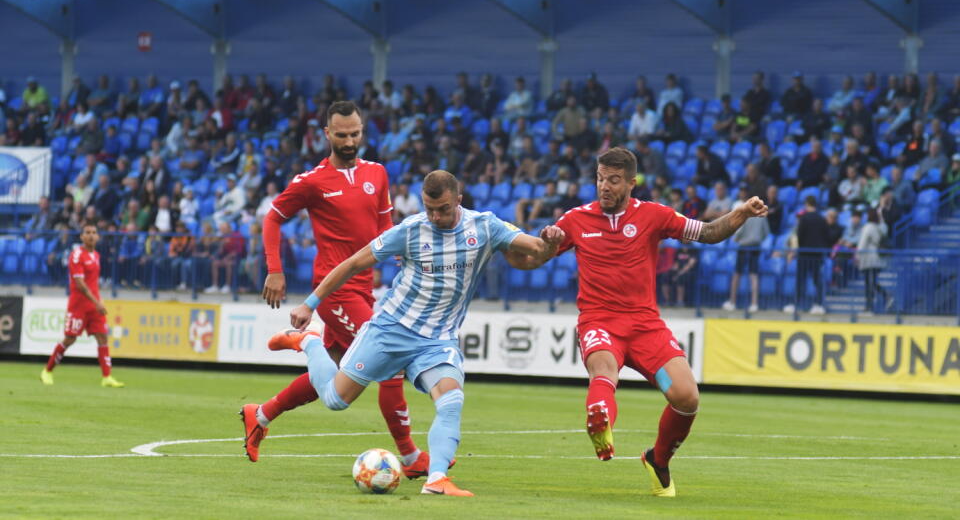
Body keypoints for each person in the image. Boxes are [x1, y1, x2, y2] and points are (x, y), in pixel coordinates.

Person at [254, 170, 563, 497]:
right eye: (429, 208)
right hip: (389, 330)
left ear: (459, 200)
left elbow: (535, 250)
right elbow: (352, 264)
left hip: (437, 340)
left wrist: (551, 243)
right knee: (334, 400)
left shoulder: (485, 226)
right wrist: (309, 304)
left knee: (451, 399)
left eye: (443, 208)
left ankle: (436, 479)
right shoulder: (411, 230)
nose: (435, 216)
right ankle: (310, 341)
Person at [517, 147, 767, 497]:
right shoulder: (575, 220)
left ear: (632, 183)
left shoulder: (655, 215)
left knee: (686, 397)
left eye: (614, 180)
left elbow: (708, 233)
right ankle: (601, 419)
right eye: (600, 179)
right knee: (604, 371)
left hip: (645, 327)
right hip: (599, 322)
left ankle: (657, 459)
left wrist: (740, 213)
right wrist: (547, 240)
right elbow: (534, 259)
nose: (604, 186)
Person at [246, 101, 430, 477]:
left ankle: (261, 414)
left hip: (364, 289)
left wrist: (398, 259)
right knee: (391, 365)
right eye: (342, 135)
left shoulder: (377, 173)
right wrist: (275, 270)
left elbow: (383, 226)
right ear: (327, 134)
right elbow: (272, 219)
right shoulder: (311, 181)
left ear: (363, 131)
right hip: (334, 291)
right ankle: (410, 458)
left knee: (332, 378)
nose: (349, 141)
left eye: (355, 134)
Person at [40, 222, 124, 388]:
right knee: (70, 339)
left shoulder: (96, 255)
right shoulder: (77, 255)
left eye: (94, 232)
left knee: (102, 337)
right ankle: (47, 371)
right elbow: (80, 283)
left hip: (94, 305)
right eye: (88, 232)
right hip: (79, 305)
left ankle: (107, 377)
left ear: (98, 236)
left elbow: (92, 283)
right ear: (82, 236)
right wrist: (96, 302)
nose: (91, 235)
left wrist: (99, 300)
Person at [784, 196, 830, 315]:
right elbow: (827, 237)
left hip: (804, 254)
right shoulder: (822, 219)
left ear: (807, 204)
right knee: (817, 280)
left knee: (801, 280)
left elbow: (800, 236)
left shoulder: (804, 218)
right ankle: (819, 304)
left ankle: (796, 304)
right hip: (817, 255)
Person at [722, 207, 770, 313]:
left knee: (737, 274)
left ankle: (732, 302)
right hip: (756, 246)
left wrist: (737, 239)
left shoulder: (745, 214)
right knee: (754, 275)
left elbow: (739, 231)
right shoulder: (762, 216)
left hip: (743, 247)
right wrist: (758, 239)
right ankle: (754, 304)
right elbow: (766, 232)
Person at [857, 208, 891, 314]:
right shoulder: (880, 227)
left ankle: (869, 307)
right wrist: (880, 216)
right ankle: (885, 296)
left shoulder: (868, 227)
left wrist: (857, 256)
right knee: (872, 282)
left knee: (869, 283)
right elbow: (885, 227)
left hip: (869, 260)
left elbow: (862, 245)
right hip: (878, 260)